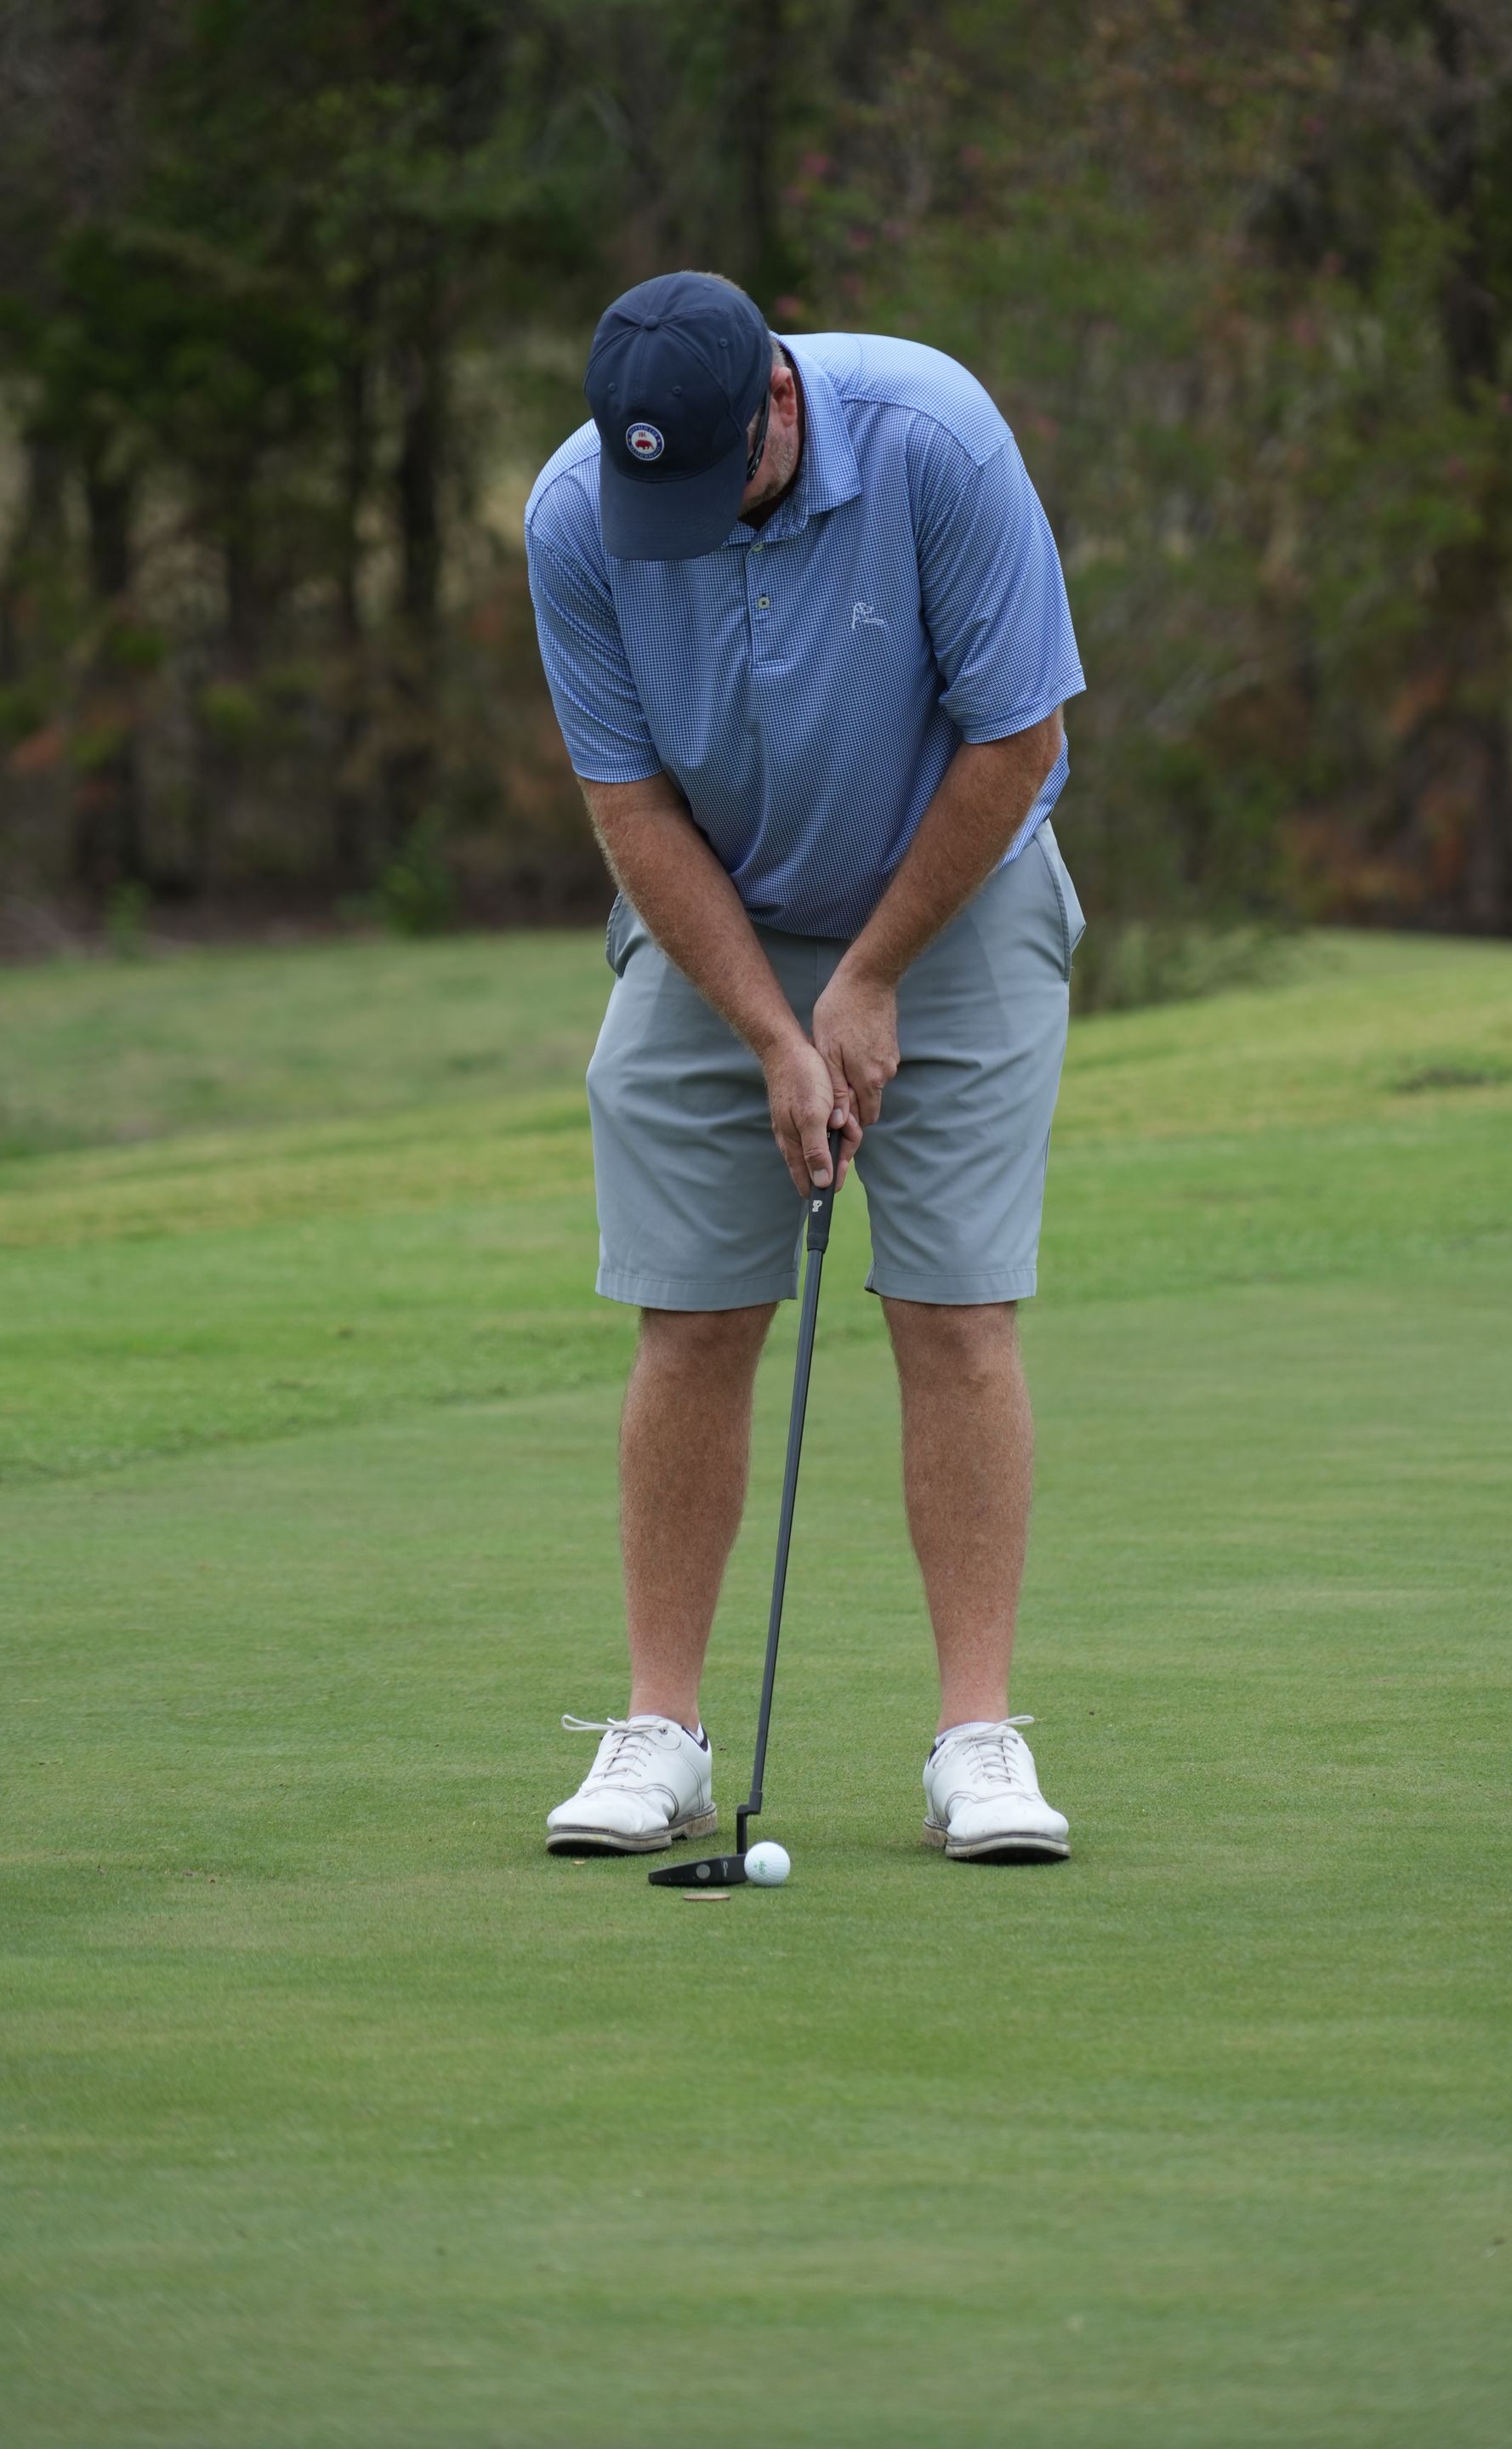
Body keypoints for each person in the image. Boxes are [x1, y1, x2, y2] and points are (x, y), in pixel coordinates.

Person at [525, 270, 1086, 1865]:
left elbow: (1018, 742)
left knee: (956, 1307)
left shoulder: (937, 440)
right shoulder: (577, 512)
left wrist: (873, 977)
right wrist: (779, 1029)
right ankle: (660, 1731)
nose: (684, 525)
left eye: (714, 486)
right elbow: (629, 806)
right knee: (690, 1311)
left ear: (779, 401)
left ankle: (977, 1739)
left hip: (952, 894)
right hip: (713, 909)